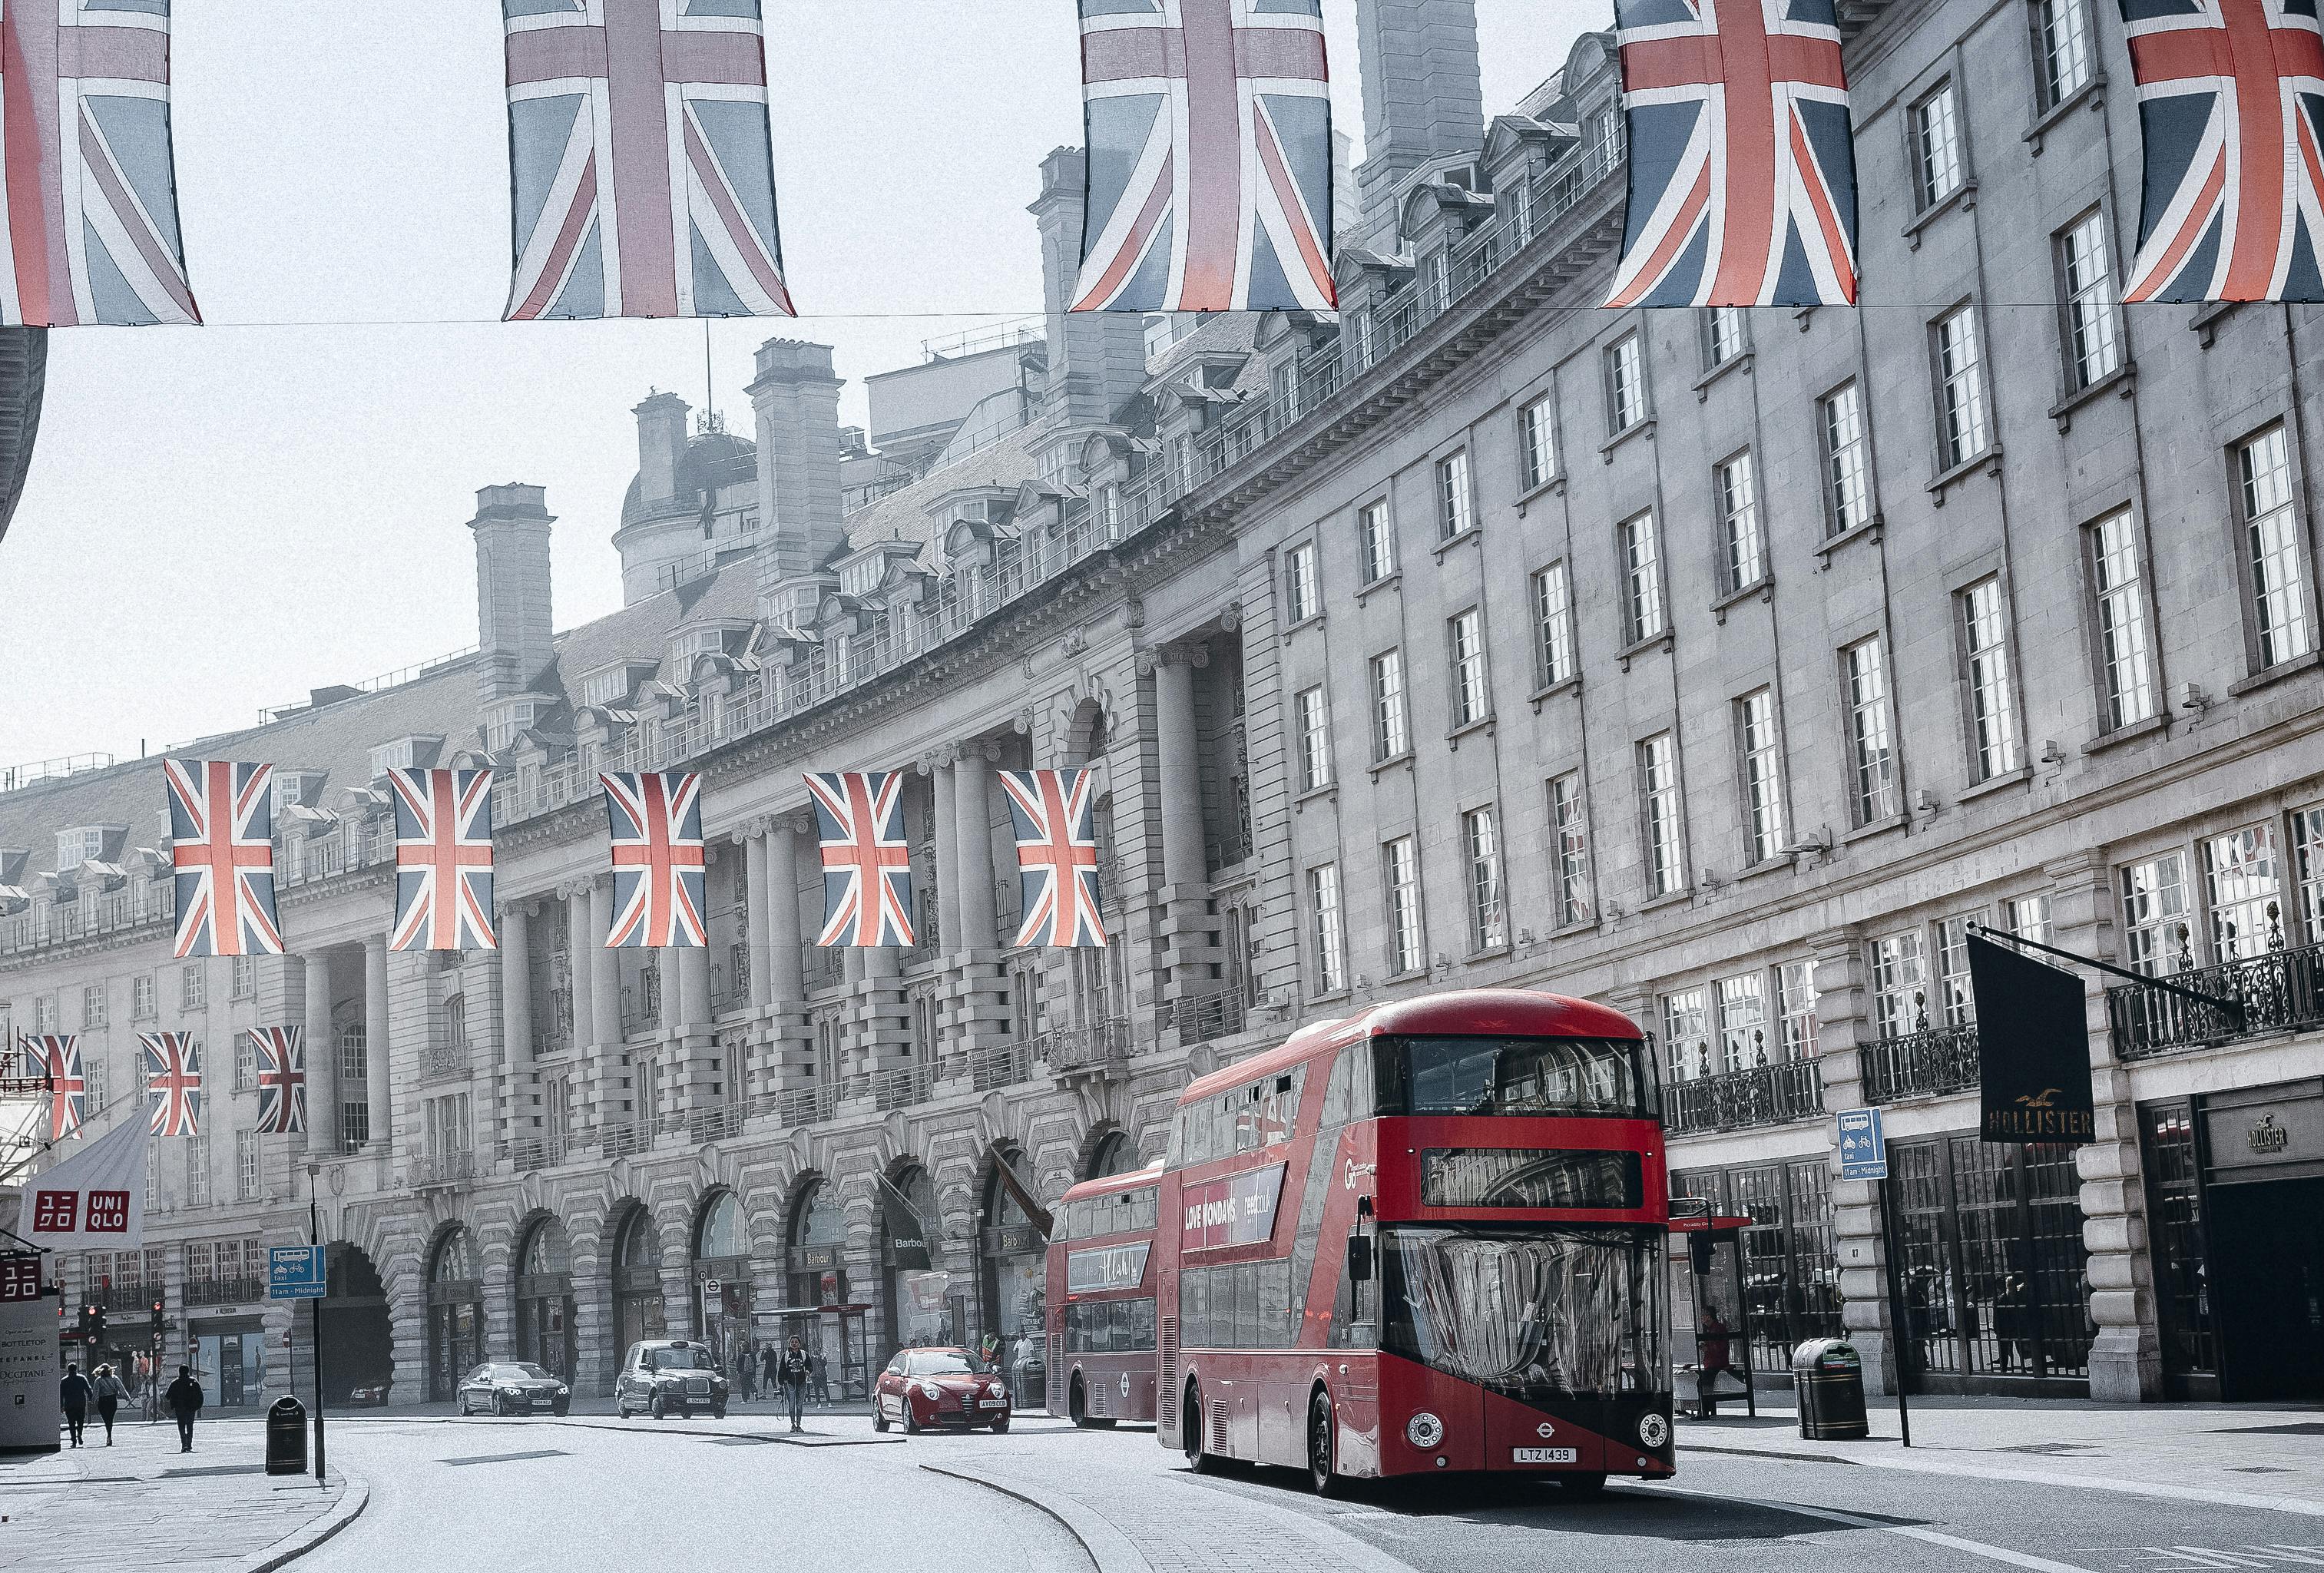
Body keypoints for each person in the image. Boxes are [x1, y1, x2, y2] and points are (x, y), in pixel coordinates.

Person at [165, 1364, 204, 1452]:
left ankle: (184, 1444)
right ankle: (189, 1444)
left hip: (180, 1408)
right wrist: (197, 1406)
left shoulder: (175, 1383)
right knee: (190, 1426)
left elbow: (167, 1396)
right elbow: (200, 1395)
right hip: (191, 1408)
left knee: (181, 1427)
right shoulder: (193, 1381)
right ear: (188, 1371)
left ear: (179, 1372)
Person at [776, 1335, 810, 1433]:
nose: (794, 1344)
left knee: (799, 1405)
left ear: (799, 1344)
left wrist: (808, 1371)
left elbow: (809, 1366)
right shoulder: (786, 1355)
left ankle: (799, 1425)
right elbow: (781, 1370)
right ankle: (792, 1424)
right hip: (789, 1383)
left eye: (796, 1342)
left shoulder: (804, 1354)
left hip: (802, 1382)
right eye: (792, 1342)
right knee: (791, 1405)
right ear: (790, 1344)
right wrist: (781, 1383)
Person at [92, 1363, 128, 1446]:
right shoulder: (115, 1378)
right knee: (110, 1419)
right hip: (112, 1400)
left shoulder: (98, 1380)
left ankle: (108, 1434)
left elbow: (95, 1392)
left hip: (102, 1401)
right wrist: (127, 1397)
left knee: (106, 1419)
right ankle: (109, 1435)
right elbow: (121, 1388)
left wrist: (93, 1400)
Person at [58, 1363, 90, 1448]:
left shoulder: (64, 1380)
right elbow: (88, 1389)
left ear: (68, 1370)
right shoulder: (82, 1378)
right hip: (80, 1403)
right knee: (81, 1421)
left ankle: (74, 1441)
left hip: (69, 1404)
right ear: (76, 1369)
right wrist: (91, 1398)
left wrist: (61, 1405)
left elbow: (61, 1394)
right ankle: (79, 1433)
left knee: (71, 1423)